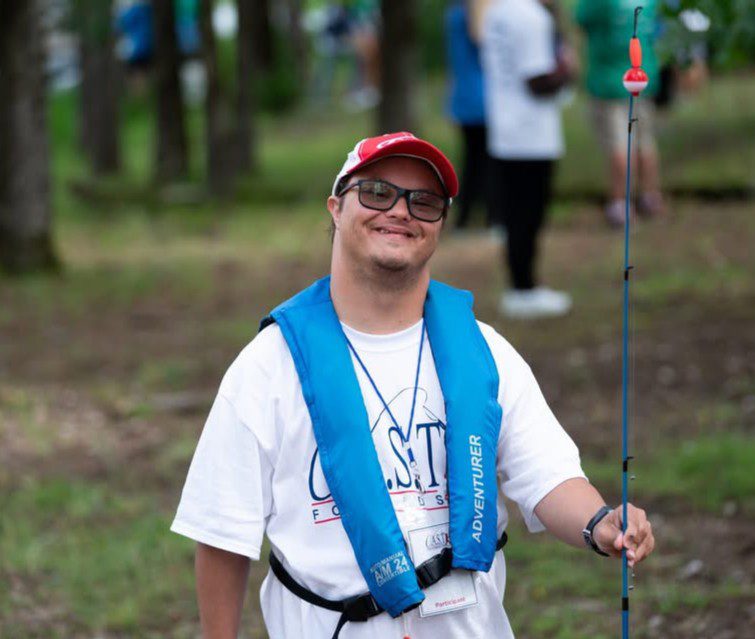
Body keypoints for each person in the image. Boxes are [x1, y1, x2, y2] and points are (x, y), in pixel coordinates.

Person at [171, 131, 655, 638]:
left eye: (424, 202)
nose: (401, 211)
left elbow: (548, 478)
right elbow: (223, 535)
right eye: (377, 193)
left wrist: (599, 523)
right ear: (336, 208)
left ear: (440, 224)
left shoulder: (484, 352)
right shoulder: (268, 366)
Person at [481, 0, 576, 319]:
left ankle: (520, 286)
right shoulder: (530, 16)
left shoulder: (499, 11)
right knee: (528, 215)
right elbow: (537, 81)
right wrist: (568, 70)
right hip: (531, 135)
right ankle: (524, 289)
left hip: (506, 130)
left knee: (515, 215)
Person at [576, 0, 664, 227]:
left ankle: (620, 204)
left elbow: (581, 20)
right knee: (645, 141)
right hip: (643, 77)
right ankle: (650, 197)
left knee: (620, 146)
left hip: (611, 83)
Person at [445, 0, 498, 232]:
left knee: (473, 158)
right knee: (485, 161)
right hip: (480, 98)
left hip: (465, 95)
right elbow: (482, 37)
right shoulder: (475, 9)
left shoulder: (455, 11)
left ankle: (465, 218)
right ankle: (491, 217)